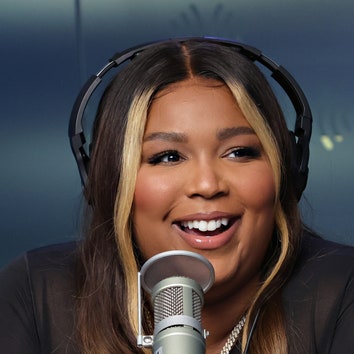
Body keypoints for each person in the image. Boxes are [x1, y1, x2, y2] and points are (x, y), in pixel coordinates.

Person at [0, 38, 354, 354]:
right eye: (168, 156)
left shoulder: (342, 291)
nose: (207, 183)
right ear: (111, 183)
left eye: (239, 152)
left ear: (284, 172)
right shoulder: (35, 295)